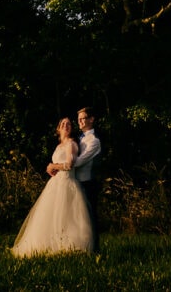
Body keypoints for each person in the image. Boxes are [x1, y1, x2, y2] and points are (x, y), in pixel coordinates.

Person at [10, 117, 94, 258]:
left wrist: (53, 166)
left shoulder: (71, 144)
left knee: (67, 217)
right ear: (58, 128)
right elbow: (59, 164)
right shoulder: (58, 146)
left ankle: (69, 247)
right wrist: (51, 169)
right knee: (50, 216)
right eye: (63, 124)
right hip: (55, 184)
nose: (66, 125)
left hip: (68, 184)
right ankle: (48, 246)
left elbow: (69, 165)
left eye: (68, 124)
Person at [72, 107, 102, 253]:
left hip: (88, 183)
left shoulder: (94, 141)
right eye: (78, 119)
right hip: (75, 182)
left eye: (83, 118)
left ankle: (94, 249)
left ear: (91, 119)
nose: (80, 121)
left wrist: (58, 165)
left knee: (90, 217)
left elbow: (78, 162)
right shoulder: (77, 139)